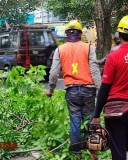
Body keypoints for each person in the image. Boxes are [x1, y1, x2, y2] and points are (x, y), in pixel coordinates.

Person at [46, 20, 101, 159]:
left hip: (72, 91)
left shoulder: (60, 49)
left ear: (66, 34)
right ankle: (92, 150)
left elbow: (53, 72)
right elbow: (94, 70)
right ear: (80, 34)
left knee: (75, 120)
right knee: (90, 120)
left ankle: (76, 153)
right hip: (88, 90)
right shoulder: (88, 48)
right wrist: (100, 91)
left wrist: (51, 89)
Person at [92, 15, 128, 160]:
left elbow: (105, 88)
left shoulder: (113, 57)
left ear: (119, 35)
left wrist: (96, 115)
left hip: (116, 112)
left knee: (118, 150)